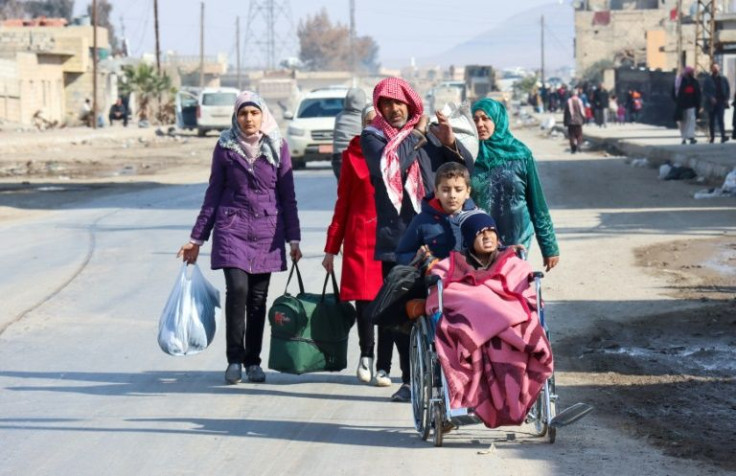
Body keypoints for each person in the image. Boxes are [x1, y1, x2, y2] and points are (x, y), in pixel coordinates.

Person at [361, 76, 474, 402]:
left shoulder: (429, 135)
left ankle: (445, 376)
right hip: (397, 240)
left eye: (399, 103)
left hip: (436, 234)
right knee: (404, 312)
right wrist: (418, 135)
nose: (394, 109)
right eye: (386, 104)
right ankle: (409, 379)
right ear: (379, 108)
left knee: (444, 308)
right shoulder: (372, 137)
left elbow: (460, 171)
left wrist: (449, 141)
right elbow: (390, 167)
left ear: (410, 103)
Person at [177, 91, 301, 385]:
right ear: (236, 117)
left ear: (262, 115)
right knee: (238, 291)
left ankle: (253, 362)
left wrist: (293, 239)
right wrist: (197, 239)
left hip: (267, 233)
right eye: (243, 114)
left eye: (254, 113)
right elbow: (213, 193)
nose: (248, 119)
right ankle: (234, 359)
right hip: (231, 229)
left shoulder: (278, 146)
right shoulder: (224, 147)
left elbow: (288, 196)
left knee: (258, 300)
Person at [424, 210, 553, 429]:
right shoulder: (455, 264)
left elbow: (525, 288)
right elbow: (445, 292)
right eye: (479, 233)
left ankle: (515, 402)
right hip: (473, 323)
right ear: (468, 239)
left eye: (491, 231)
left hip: (511, 325)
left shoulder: (512, 262)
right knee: (477, 313)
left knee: (518, 343)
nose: (487, 236)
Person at [322, 105, 383, 385]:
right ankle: (366, 355)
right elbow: (342, 203)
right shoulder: (352, 156)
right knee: (365, 302)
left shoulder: (399, 152)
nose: (374, 128)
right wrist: (331, 247)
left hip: (392, 235)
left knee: (392, 301)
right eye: (369, 123)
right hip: (361, 238)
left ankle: (385, 363)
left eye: (378, 122)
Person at [470, 97, 559, 272]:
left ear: (498, 120)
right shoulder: (469, 156)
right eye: (475, 119)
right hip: (480, 241)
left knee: (511, 287)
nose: (480, 124)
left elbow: (537, 204)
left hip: (517, 239)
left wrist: (549, 247)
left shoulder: (521, 155)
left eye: (485, 118)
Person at [394, 162, 476, 266]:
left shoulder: (478, 219)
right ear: (436, 192)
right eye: (445, 190)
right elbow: (402, 254)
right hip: (434, 279)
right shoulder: (422, 221)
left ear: (468, 192)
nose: (452, 195)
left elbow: (495, 251)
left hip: (471, 279)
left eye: (458, 190)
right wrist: (418, 258)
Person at [331, 88, 366, 180]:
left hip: (338, 158)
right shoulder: (364, 118)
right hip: (356, 158)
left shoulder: (339, 117)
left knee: (343, 189)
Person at [702, 63, 731, 144]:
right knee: (711, 120)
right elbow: (705, 91)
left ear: (719, 68)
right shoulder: (708, 79)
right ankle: (712, 137)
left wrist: (726, 99)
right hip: (711, 103)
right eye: (714, 68)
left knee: (720, 119)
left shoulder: (723, 78)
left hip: (721, 102)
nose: (715, 69)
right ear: (711, 69)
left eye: (717, 67)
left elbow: (727, 89)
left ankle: (723, 136)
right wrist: (710, 97)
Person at [672, 66, 701, 145]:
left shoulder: (694, 82)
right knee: (683, 122)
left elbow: (697, 94)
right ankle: (684, 137)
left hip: (691, 105)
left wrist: (698, 104)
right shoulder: (679, 81)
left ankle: (691, 136)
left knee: (691, 120)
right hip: (681, 105)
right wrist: (677, 101)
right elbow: (674, 93)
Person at [563, 89, 586, 153]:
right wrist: (584, 119)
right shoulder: (580, 101)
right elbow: (582, 112)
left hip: (571, 122)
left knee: (572, 135)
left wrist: (565, 122)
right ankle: (579, 145)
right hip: (579, 121)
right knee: (579, 134)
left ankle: (573, 147)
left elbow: (566, 113)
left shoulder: (568, 101)